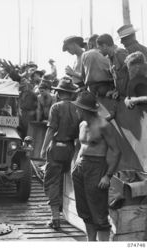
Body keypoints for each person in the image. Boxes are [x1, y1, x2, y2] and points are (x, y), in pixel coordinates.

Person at [71, 91, 120, 241]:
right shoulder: (82, 124)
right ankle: (90, 242)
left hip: (97, 167)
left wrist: (108, 175)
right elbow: (80, 146)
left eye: (78, 108)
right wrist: (75, 165)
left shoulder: (104, 125)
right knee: (84, 210)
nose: (76, 110)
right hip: (80, 168)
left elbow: (117, 151)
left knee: (98, 212)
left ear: (85, 109)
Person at [40, 78, 79, 230]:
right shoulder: (78, 108)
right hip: (71, 149)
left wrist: (43, 149)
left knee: (51, 182)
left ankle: (55, 218)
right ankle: (67, 213)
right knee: (64, 181)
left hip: (56, 148)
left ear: (59, 92)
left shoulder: (56, 107)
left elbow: (51, 129)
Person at [97, 34, 129, 98]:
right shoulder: (110, 58)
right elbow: (119, 78)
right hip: (124, 95)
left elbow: (133, 74)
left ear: (104, 46)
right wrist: (116, 91)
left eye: (99, 48)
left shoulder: (120, 53)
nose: (99, 51)